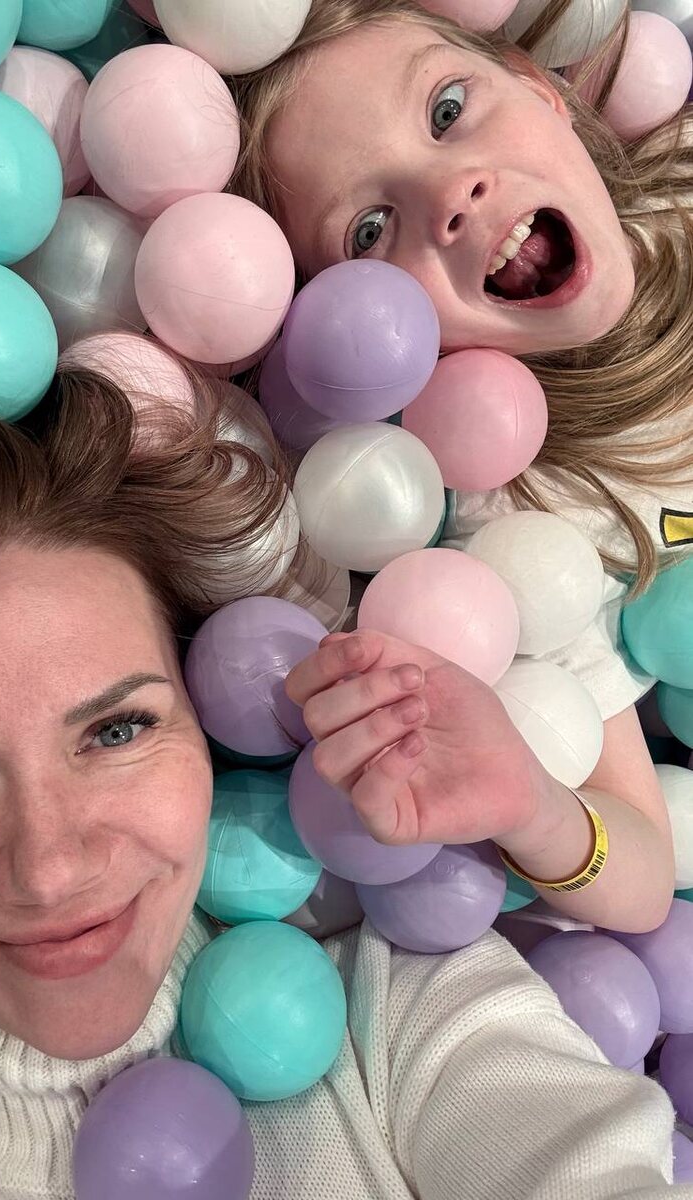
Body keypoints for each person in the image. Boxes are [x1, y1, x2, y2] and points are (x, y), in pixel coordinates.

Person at [0, 365, 688, 1200]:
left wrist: (535, 804)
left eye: (115, 731)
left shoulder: (397, 1010)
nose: (49, 870)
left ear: (207, 718)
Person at [228, 0, 693, 935]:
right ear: (368, 336)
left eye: (448, 109)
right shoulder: (526, 531)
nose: (450, 196)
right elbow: (644, 876)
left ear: (540, 89)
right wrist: (533, 805)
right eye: (370, 230)